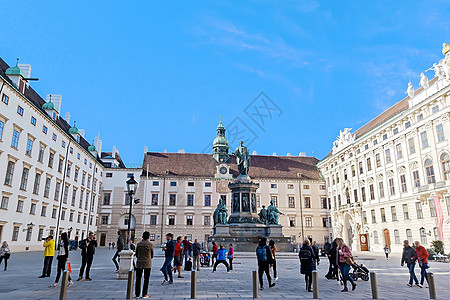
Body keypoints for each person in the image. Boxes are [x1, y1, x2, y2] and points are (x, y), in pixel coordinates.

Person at [135, 231, 154, 299]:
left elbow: (136, 254)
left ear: (142, 237)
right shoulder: (150, 244)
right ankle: (144, 294)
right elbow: (152, 255)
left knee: (138, 279)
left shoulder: (139, 244)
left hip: (139, 263)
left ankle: (137, 294)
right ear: (149, 237)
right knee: (146, 279)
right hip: (147, 263)